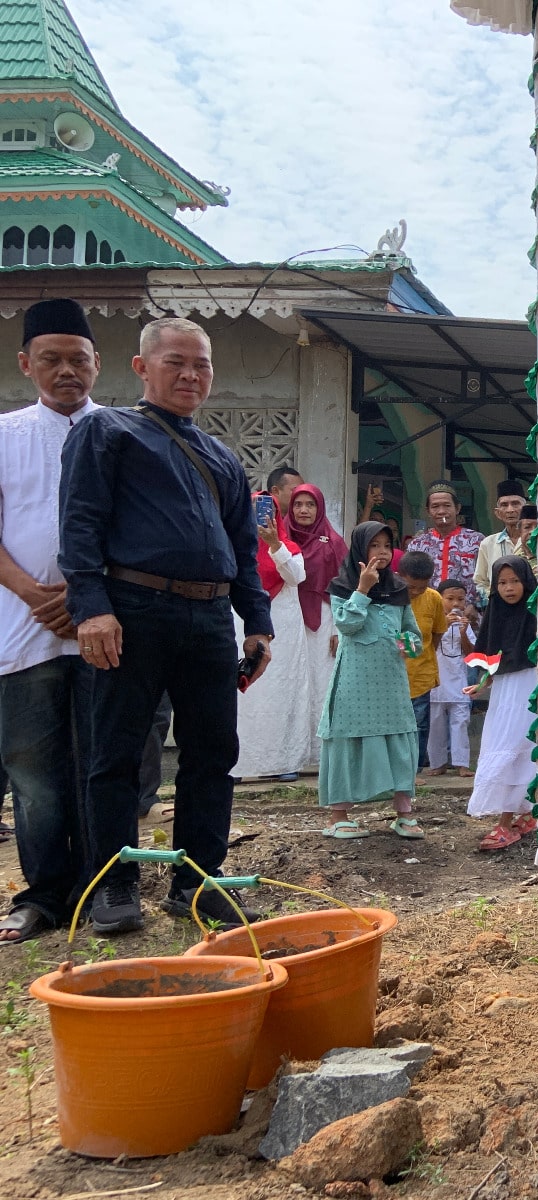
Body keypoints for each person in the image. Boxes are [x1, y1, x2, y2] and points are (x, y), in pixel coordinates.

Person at [59, 316, 271, 933]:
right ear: (141, 367)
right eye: (176, 361)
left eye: (201, 364)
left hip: (208, 618)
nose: (190, 374)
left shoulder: (222, 457)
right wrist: (90, 608)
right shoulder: (107, 430)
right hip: (131, 610)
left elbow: (242, 547)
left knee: (213, 752)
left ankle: (198, 885)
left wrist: (256, 622)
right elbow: (79, 525)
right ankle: (112, 885)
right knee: (117, 753)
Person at [0, 298, 98, 944]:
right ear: (26, 363)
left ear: (98, 364)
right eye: (52, 359)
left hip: (100, 629)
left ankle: (96, 887)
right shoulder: (5, 434)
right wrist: (36, 594)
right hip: (23, 630)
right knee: (33, 773)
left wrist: (87, 598)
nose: (67, 371)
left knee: (100, 766)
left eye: (78, 360)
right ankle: (42, 894)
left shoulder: (119, 432)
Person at [466, 556, 538, 851]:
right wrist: (481, 682)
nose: (508, 588)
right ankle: (526, 813)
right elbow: (491, 657)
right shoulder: (495, 614)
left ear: (525, 582)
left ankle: (506, 824)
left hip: (533, 687)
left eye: (514, 581)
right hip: (505, 693)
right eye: (502, 583)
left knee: (523, 745)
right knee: (503, 744)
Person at [317, 523, 425, 840]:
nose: (380, 552)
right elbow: (348, 625)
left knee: (399, 737)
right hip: (354, 679)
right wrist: (362, 589)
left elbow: (413, 636)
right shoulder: (342, 586)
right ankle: (339, 816)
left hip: (390, 679)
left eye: (386, 546)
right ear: (359, 549)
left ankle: (404, 814)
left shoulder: (398, 589)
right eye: (373, 545)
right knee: (347, 736)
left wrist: (408, 643)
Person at [232, 492, 314, 781]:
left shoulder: (289, 546)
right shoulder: (235, 546)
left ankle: (284, 761)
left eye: (267, 511)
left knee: (283, 691)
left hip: (284, 627)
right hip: (243, 623)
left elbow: (296, 577)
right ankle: (239, 764)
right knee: (244, 694)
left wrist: (274, 545)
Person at [285, 482, 346, 767]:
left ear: (319, 508)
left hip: (324, 620)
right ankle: (292, 754)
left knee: (322, 682)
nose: (303, 510)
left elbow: (344, 587)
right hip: (288, 618)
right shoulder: (281, 536)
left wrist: (337, 627)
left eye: (310, 505)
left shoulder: (333, 542)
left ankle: (322, 754)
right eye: (298, 504)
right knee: (293, 683)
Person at [395, 550, 447, 777]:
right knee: (394, 725)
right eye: (410, 587)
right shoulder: (390, 598)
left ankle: (413, 772)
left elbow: (436, 633)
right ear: (399, 576)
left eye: (421, 587)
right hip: (392, 675)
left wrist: (425, 656)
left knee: (419, 724)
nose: (415, 592)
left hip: (421, 673)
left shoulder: (434, 598)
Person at [424, 577, 476, 778]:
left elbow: (471, 654)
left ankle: (462, 764)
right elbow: (427, 647)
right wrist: (442, 625)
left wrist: (463, 632)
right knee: (435, 725)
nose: (456, 604)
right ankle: (438, 763)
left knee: (460, 722)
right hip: (436, 684)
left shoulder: (465, 625)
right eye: (450, 599)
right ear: (439, 599)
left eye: (461, 600)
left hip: (459, 683)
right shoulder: (433, 622)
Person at [410, 481, 482, 590]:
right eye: (435, 506)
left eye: (447, 505)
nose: (441, 511)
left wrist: (474, 605)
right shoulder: (417, 545)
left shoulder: (477, 541)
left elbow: (485, 579)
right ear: (428, 511)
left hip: (466, 606)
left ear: (457, 508)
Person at [473, 478, 526, 605]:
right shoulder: (488, 543)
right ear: (497, 513)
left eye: (515, 504)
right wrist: (495, 598)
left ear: (525, 508)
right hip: (498, 610)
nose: (510, 510)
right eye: (504, 505)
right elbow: (480, 582)